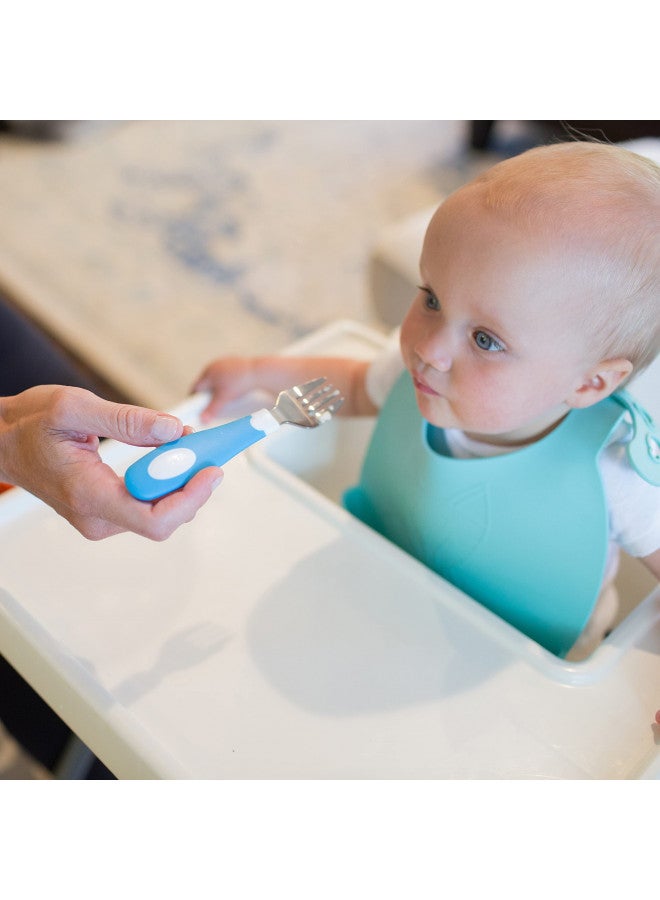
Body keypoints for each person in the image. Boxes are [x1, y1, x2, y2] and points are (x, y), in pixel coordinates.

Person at [192, 141, 660, 660]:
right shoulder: (413, 373)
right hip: (382, 591)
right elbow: (346, 387)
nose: (429, 350)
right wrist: (260, 372)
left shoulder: (619, 472)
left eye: (486, 339)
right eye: (432, 298)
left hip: (525, 665)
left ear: (590, 384)